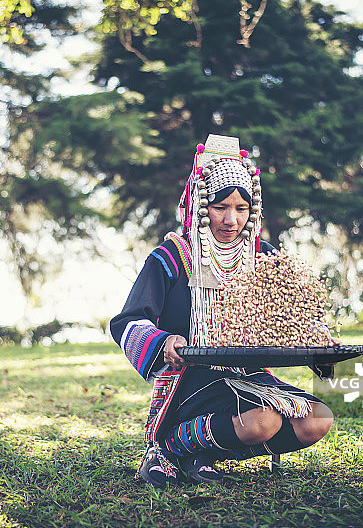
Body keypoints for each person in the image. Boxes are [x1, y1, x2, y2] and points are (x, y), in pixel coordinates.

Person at [110, 134, 336, 488]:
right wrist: (164, 341)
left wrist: (316, 337)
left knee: (317, 419)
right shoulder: (171, 256)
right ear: (202, 204)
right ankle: (168, 448)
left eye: (242, 209)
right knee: (263, 421)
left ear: (253, 210)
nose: (232, 219)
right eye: (220, 207)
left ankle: (205, 453)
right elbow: (127, 321)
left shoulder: (263, 255)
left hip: (248, 374)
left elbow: (295, 314)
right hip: (191, 379)